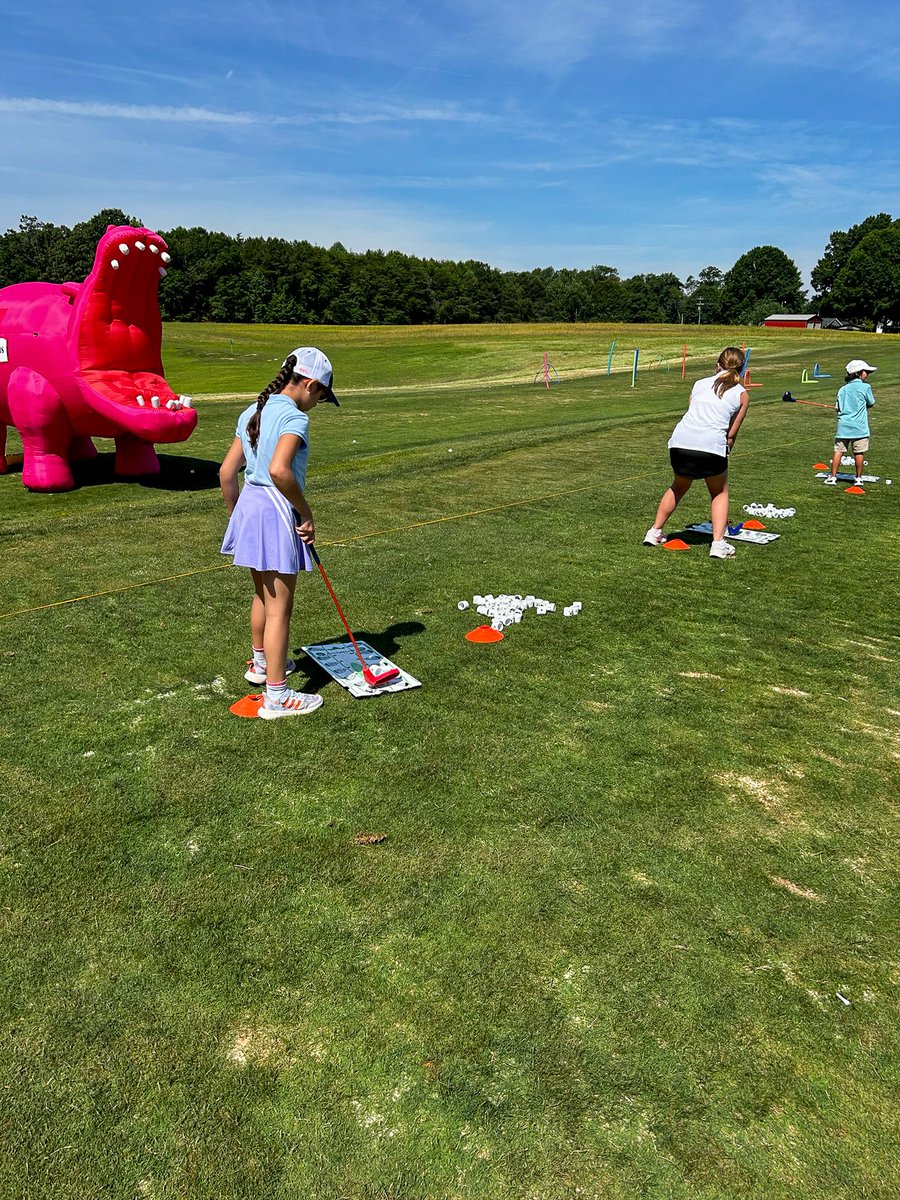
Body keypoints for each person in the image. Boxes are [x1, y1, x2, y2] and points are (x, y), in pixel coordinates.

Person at [220, 347, 339, 718]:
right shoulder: (294, 418)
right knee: (279, 609)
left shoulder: (252, 410)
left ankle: (260, 666)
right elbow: (280, 470)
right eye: (321, 395)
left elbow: (226, 473)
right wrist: (306, 513)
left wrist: (238, 517)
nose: (318, 403)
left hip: (250, 508)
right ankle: (278, 696)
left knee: (262, 595)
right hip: (274, 510)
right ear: (311, 384)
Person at [643, 347, 750, 558]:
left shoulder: (699, 384)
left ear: (717, 364)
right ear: (742, 369)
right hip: (710, 446)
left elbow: (693, 412)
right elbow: (731, 434)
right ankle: (718, 544)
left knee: (679, 486)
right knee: (719, 492)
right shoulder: (741, 394)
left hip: (679, 443)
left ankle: (654, 532)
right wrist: (725, 452)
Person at [824, 359, 876, 486]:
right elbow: (871, 402)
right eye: (866, 371)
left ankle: (832, 477)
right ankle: (858, 478)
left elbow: (838, 408)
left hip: (844, 427)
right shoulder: (866, 387)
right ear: (858, 373)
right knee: (858, 452)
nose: (868, 374)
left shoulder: (842, 389)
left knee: (838, 451)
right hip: (859, 427)